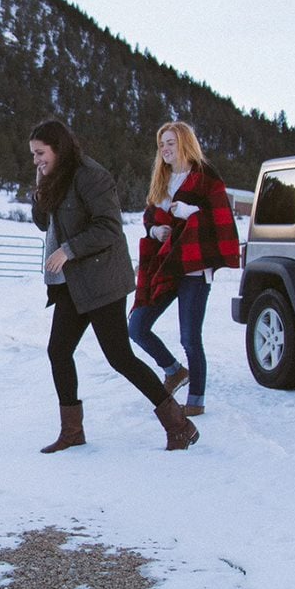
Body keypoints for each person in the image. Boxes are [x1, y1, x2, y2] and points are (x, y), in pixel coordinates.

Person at [29, 119, 199, 452]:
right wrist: (39, 188)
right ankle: (72, 431)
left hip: (101, 280)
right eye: (33, 155)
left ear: (58, 148)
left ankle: (179, 424)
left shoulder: (91, 176)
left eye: (40, 153)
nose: (36, 160)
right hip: (71, 284)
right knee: (59, 351)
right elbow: (41, 222)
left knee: (120, 357)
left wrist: (69, 249)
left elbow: (108, 227)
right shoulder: (55, 177)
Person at [129, 121, 240, 416]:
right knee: (137, 327)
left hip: (194, 269)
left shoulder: (205, 177)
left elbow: (222, 221)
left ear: (185, 144)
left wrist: (190, 213)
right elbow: (149, 218)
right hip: (165, 267)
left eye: (171, 143)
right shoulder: (162, 180)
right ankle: (174, 370)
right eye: (162, 144)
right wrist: (156, 232)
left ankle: (196, 401)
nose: (165, 149)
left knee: (190, 338)